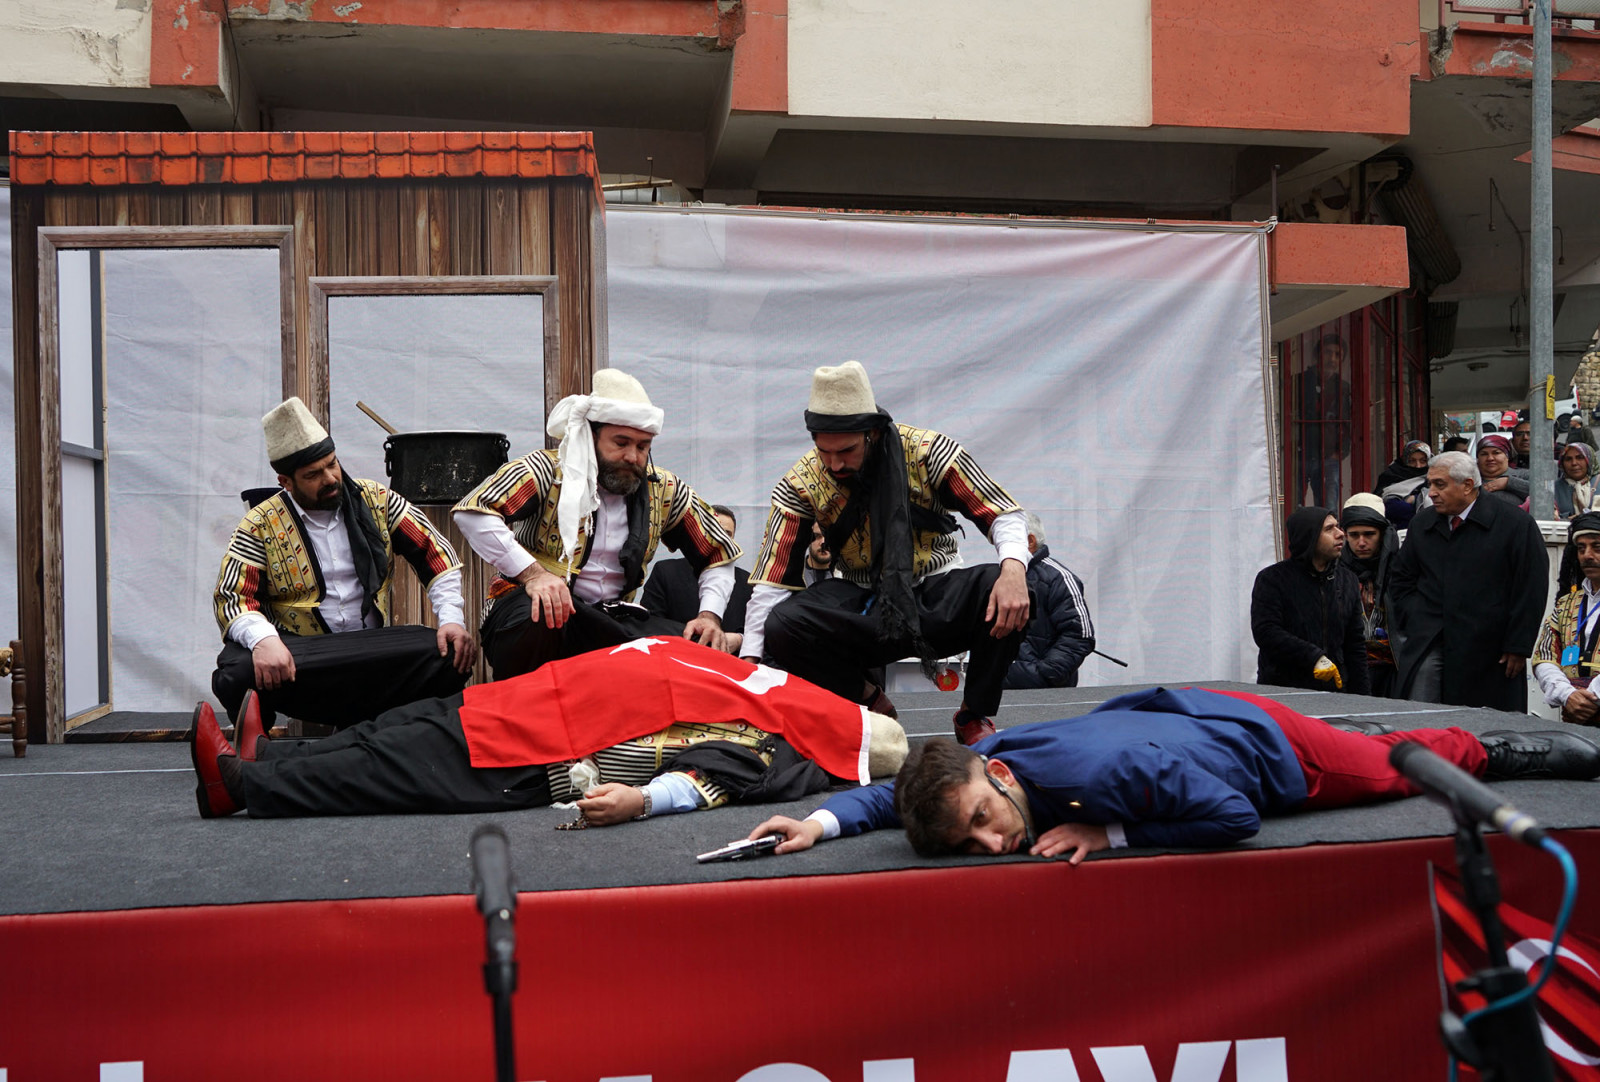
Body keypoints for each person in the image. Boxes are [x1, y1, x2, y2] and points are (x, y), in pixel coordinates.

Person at [747, 685, 1600, 860]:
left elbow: (1234, 819)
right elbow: (898, 792)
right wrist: (818, 822)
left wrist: (1109, 833)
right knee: (1370, 751)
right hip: (1182, 724)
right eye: (971, 841)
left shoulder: (1103, 782)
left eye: (980, 821)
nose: (993, 845)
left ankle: (1509, 749)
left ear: (999, 777)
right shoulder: (976, 770)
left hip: (1267, 752)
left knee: (1397, 771)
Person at [189, 636, 907, 819]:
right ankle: (267, 758)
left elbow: (708, 784)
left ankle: (242, 788)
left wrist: (641, 800)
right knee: (394, 727)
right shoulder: (761, 687)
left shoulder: (772, 751)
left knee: (386, 766)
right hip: (524, 705)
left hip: (534, 759)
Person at [741, 362, 1032, 746]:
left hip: (935, 595)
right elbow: (772, 579)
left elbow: (1001, 512)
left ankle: (973, 714)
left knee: (1009, 586)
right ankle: (867, 699)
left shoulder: (930, 452)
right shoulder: (800, 483)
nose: (835, 464)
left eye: (847, 450)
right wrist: (750, 664)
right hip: (863, 605)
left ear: (873, 432)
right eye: (824, 452)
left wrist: (1014, 572)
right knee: (783, 623)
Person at [453, 369, 740, 679]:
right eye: (621, 443)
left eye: (642, 446)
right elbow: (473, 512)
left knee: (696, 649)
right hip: (532, 609)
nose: (632, 456)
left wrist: (709, 616)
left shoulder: (665, 489)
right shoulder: (547, 469)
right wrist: (534, 575)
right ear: (590, 437)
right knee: (543, 615)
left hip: (610, 621)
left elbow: (718, 553)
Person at [211, 397, 474, 729]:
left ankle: (415, 743)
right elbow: (232, 597)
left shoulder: (377, 500)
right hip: (303, 656)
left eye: (332, 464)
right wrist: (265, 641)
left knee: (448, 652)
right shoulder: (259, 524)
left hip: (370, 648)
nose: (330, 478)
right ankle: (255, 749)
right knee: (235, 670)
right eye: (313, 474)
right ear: (286, 482)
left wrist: (451, 619)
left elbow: (434, 553)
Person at [1388, 451, 1549, 711]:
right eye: (1430, 484)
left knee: (1485, 726)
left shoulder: (1515, 524)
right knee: (1421, 718)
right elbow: (1401, 579)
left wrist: (1518, 645)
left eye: (1440, 484)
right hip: (1429, 640)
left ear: (1467, 485)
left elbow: (1531, 588)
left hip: (1491, 650)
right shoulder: (1423, 523)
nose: (1431, 493)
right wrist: (1416, 616)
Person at [1249, 506, 1368, 694]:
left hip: (1335, 693)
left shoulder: (1347, 580)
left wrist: (1363, 700)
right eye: (1329, 529)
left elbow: (1355, 645)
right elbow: (1266, 632)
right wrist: (1313, 657)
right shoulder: (1273, 579)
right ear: (1309, 537)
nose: (1340, 534)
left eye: (1337, 526)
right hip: (1284, 692)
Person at [642, 504, 752, 655]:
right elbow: (649, 622)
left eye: (727, 533)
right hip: (674, 658)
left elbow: (759, 632)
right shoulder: (666, 571)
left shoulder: (748, 583)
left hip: (728, 663)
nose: (721, 539)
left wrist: (740, 640)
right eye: (715, 531)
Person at [1003, 512, 1095, 689]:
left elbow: (1081, 635)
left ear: (1030, 541)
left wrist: (1043, 676)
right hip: (1001, 693)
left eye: (1007, 540)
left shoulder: (1059, 578)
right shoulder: (1001, 577)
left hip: (1047, 696)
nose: (1000, 546)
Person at [1532, 512, 1600, 726]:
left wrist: (1591, 698)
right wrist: (1567, 695)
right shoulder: (1566, 603)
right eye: (1581, 548)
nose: (1587, 555)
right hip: (1573, 717)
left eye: (1597, 547)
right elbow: (1544, 655)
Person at [1340, 494, 1401, 697]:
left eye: (1369, 534)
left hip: (1394, 670)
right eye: (1354, 535)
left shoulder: (1401, 569)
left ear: (1382, 534)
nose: (1361, 542)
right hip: (1350, 669)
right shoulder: (1334, 572)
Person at [1374, 439, 1433, 527]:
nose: (1418, 466)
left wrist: (1415, 499)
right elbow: (1387, 507)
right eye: (1412, 461)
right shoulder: (1392, 475)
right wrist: (1418, 503)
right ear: (1405, 461)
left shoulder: (1433, 476)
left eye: (1423, 461)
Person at [1475, 434, 1529, 509]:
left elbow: (1542, 493)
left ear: (1507, 456)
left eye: (1496, 453)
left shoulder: (1525, 475)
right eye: (1484, 454)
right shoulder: (1471, 480)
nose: (1490, 458)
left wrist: (1508, 482)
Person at [1555, 441, 1595, 520]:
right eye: (1568, 459)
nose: (1574, 463)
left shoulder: (1597, 483)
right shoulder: (1553, 489)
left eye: (1579, 457)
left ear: (1589, 460)